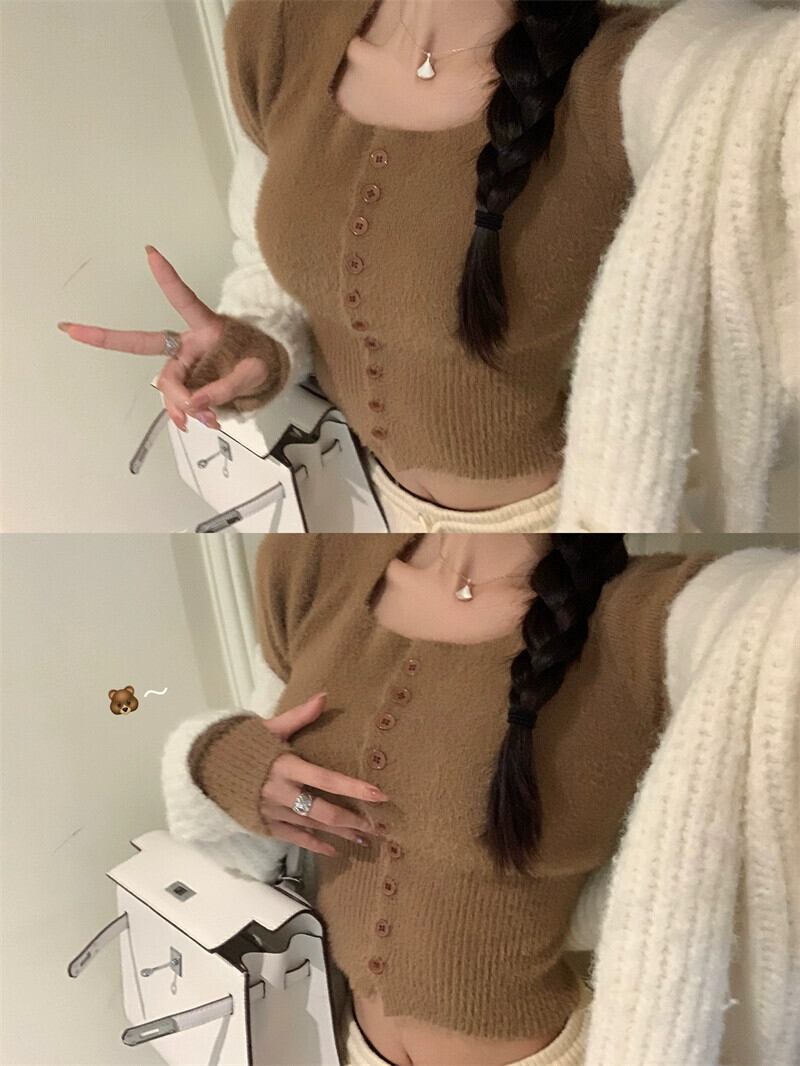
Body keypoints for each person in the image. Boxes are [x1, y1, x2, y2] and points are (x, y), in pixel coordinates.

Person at [57, 0, 799, 532]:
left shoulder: (638, 68)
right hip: (352, 500)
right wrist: (257, 346)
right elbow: (269, 255)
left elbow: (760, 87)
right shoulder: (276, 24)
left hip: (563, 524)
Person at [160, 533, 799, 1066]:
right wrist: (215, 760)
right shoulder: (312, 557)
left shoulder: (650, 613)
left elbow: (773, 620)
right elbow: (261, 764)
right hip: (340, 1040)